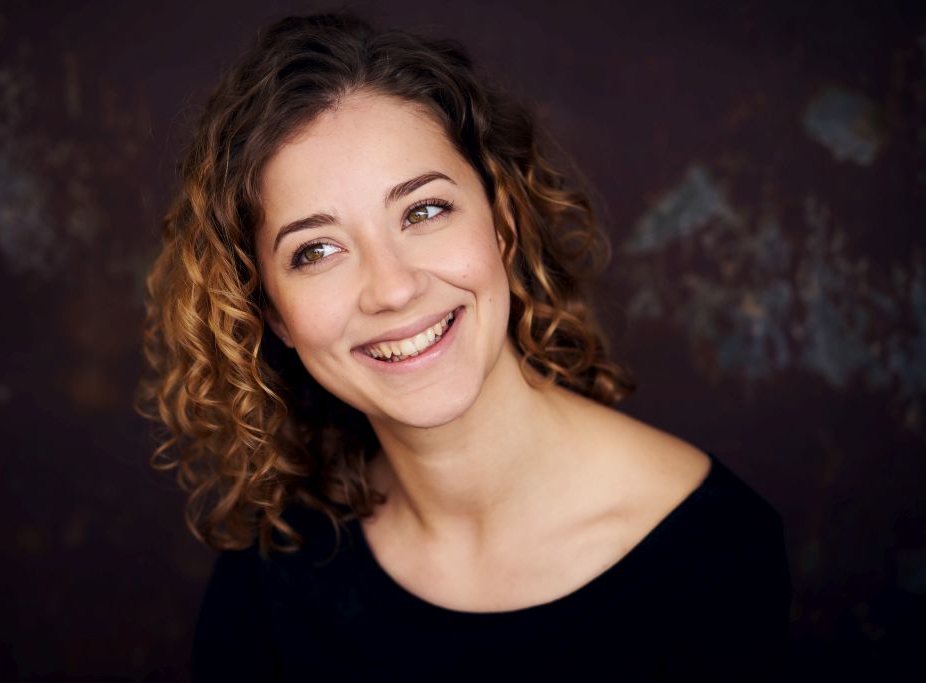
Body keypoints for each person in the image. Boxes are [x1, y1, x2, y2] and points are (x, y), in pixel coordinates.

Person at [138, 12, 791, 681]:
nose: (392, 289)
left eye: (423, 211)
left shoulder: (717, 557)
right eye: (317, 250)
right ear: (273, 314)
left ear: (503, 226)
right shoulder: (271, 575)